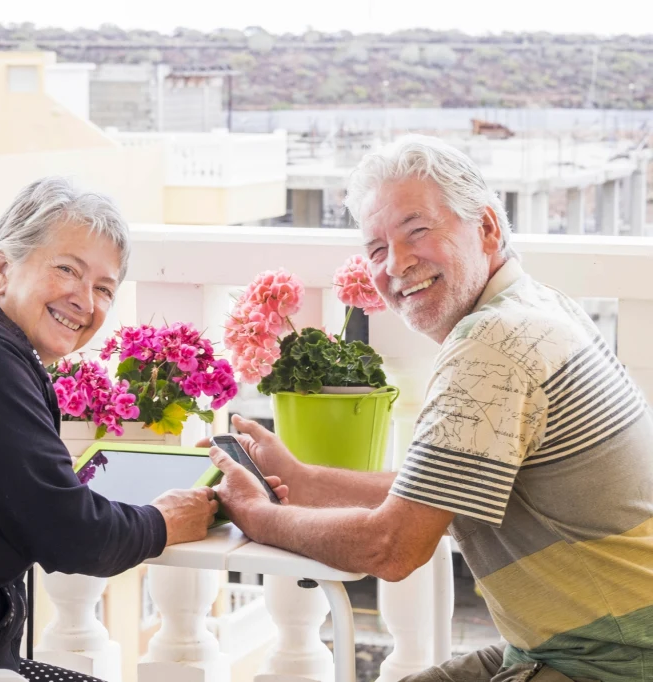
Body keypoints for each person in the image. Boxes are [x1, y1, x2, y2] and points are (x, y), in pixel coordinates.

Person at [209, 135, 653, 682]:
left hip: (613, 661)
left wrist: (259, 517)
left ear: (487, 228)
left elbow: (392, 546)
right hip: (568, 645)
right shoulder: (535, 304)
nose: (396, 264)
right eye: (375, 250)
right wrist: (302, 480)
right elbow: (436, 489)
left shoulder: (493, 343)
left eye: (417, 231)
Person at [0, 177, 219, 677]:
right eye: (67, 270)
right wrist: (164, 522)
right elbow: (71, 535)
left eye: (104, 288)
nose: (86, 300)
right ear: (2, 268)